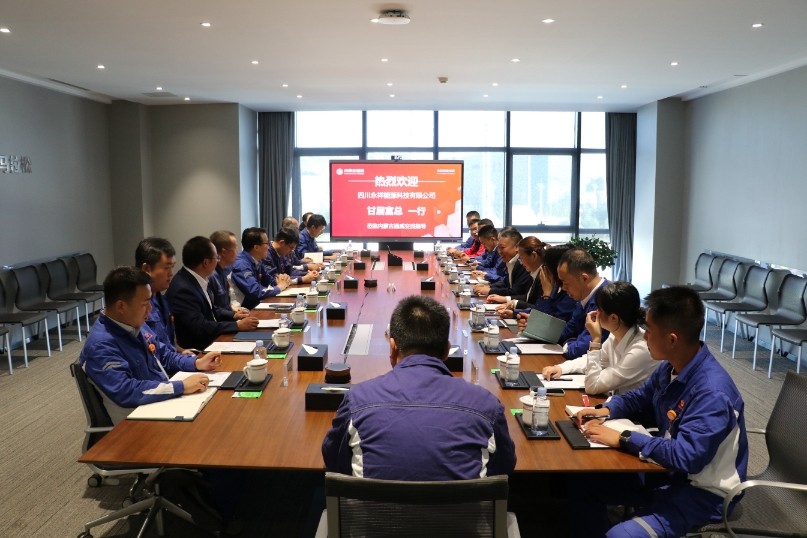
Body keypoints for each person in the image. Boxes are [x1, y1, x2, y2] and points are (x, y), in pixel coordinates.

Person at [570, 286, 748, 537]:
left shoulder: (712, 392)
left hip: (704, 494)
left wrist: (624, 438)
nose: (644, 337)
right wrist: (606, 410)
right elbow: (640, 397)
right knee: (581, 484)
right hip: (667, 473)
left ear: (672, 339)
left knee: (620, 535)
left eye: (650, 331)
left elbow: (687, 457)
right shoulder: (671, 366)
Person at [322, 295, 516, 480]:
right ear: (447, 351)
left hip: (372, 506)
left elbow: (334, 461)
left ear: (392, 348)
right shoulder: (487, 406)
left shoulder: (357, 401)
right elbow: (503, 468)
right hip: (463, 506)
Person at [79, 266, 221, 424]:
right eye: (145, 302)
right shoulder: (101, 345)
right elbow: (127, 391)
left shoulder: (134, 323)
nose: (150, 308)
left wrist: (196, 363)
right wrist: (180, 387)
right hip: (136, 421)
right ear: (121, 306)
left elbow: (164, 355)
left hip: (161, 403)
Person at [542, 281, 657, 395]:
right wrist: (561, 368)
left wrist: (596, 339)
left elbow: (593, 386)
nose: (595, 313)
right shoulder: (615, 335)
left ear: (613, 318)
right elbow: (595, 361)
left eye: (599, 309)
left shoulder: (640, 350)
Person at [167, 236, 260, 351]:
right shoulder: (183, 289)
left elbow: (210, 309)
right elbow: (201, 327)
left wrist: (233, 315)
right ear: (206, 262)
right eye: (216, 257)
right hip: (201, 349)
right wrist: (237, 325)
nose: (218, 260)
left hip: (214, 339)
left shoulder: (197, 278)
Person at [555, 248, 608, 359]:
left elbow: (578, 351)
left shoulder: (607, 300)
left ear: (584, 278)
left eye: (565, 282)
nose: (563, 288)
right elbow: (565, 332)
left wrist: (567, 343)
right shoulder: (584, 296)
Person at [135, 237, 182, 351]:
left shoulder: (161, 299)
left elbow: (167, 343)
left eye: (172, 267)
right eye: (167, 267)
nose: (171, 273)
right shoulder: (135, 308)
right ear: (146, 269)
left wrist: (182, 351)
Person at [230, 227, 291, 308]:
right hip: (243, 310)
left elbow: (269, 280)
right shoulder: (241, 265)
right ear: (256, 247)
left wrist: (283, 279)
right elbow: (255, 292)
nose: (269, 247)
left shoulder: (257, 260)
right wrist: (279, 287)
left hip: (255, 305)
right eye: (266, 243)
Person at [473, 228, 531, 297]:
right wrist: (489, 286)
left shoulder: (523, 264)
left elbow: (516, 291)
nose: (499, 252)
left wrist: (490, 290)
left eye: (502, 248)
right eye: (498, 248)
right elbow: (505, 283)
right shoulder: (510, 261)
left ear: (516, 247)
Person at [208, 230, 251, 318]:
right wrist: (233, 315)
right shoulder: (211, 276)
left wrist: (232, 309)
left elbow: (224, 305)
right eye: (235, 247)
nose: (237, 252)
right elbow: (212, 310)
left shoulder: (224, 270)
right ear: (224, 252)